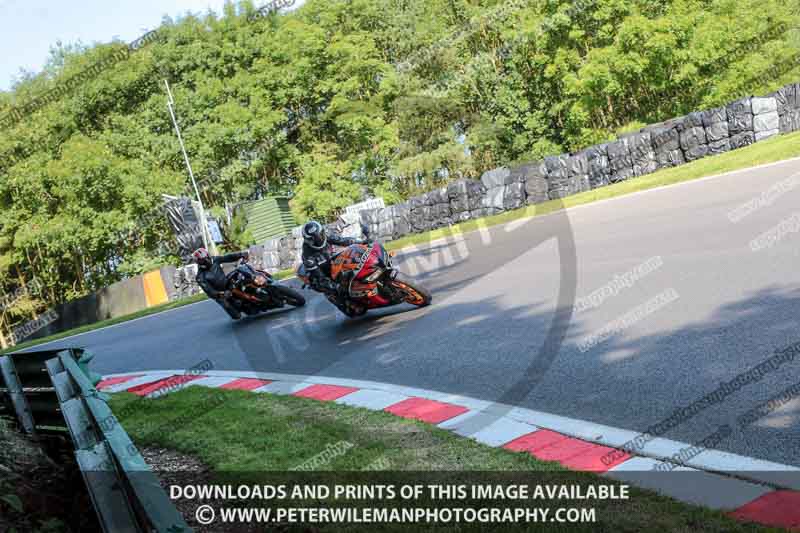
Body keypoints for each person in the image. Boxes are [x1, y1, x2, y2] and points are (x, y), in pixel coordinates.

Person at [301, 220, 366, 314]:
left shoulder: (326, 236)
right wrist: (334, 286)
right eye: (316, 238)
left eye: (320, 235)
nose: (319, 239)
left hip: (332, 262)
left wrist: (360, 241)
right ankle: (342, 302)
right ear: (309, 240)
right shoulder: (308, 257)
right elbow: (320, 277)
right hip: (322, 273)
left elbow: (343, 240)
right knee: (334, 288)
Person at [192, 247, 249, 319]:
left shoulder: (215, 260)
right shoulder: (200, 276)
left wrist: (240, 254)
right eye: (204, 260)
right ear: (199, 262)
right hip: (220, 294)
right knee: (236, 315)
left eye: (207, 257)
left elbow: (227, 257)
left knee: (242, 278)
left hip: (227, 283)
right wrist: (221, 294)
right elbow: (209, 291)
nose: (207, 260)